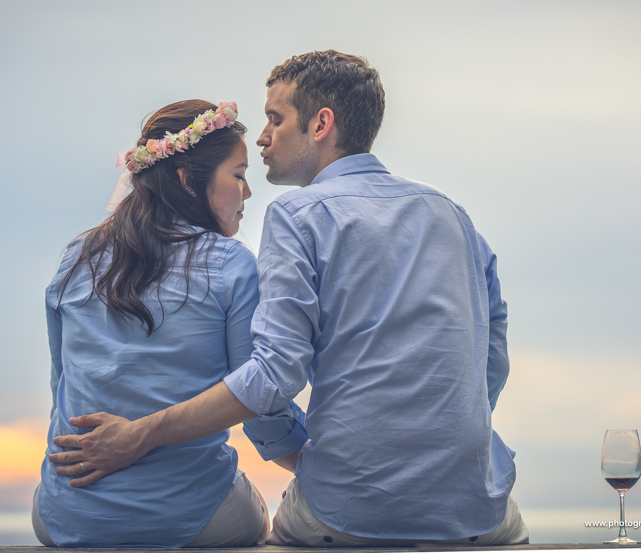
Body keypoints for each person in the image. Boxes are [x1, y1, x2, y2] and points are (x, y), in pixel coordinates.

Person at [49, 51, 529, 546]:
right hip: (476, 508)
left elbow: (275, 373)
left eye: (275, 119)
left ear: (321, 124)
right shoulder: (454, 215)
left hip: (347, 511)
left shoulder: (297, 216)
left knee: (281, 532)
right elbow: (492, 353)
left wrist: (143, 434)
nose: (262, 136)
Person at [33, 100, 307, 548]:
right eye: (238, 175)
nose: (248, 192)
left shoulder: (75, 259)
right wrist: (316, 464)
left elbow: (62, 386)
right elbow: (258, 403)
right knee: (264, 518)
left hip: (65, 515)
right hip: (191, 518)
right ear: (187, 180)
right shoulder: (231, 264)